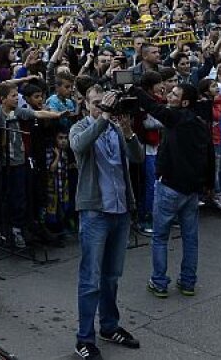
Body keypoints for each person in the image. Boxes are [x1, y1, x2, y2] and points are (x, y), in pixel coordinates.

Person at [70, 86, 144, 359]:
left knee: (111, 276)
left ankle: (109, 326)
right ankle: (84, 338)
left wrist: (127, 130)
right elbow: (79, 146)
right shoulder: (79, 128)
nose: (102, 107)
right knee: (91, 279)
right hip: (94, 212)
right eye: (96, 103)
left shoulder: (115, 129)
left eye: (105, 103)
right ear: (86, 105)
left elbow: (136, 157)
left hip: (120, 210)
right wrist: (104, 118)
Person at [133, 81, 207, 298]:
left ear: (185, 102)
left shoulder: (178, 118)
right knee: (190, 237)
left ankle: (159, 281)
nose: (169, 96)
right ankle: (188, 282)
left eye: (175, 94)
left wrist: (136, 90)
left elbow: (155, 109)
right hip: (191, 189)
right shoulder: (198, 122)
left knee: (160, 236)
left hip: (171, 186)